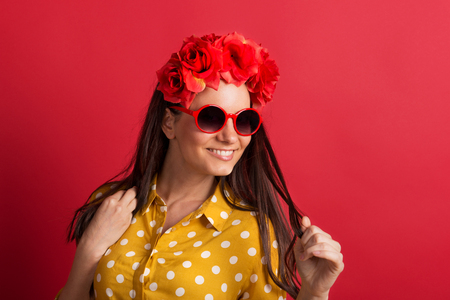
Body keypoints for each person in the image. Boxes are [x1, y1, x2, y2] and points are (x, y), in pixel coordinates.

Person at [57, 32, 344, 300]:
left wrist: (315, 293)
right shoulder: (111, 206)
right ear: (169, 123)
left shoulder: (253, 233)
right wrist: (89, 252)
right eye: (211, 118)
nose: (231, 136)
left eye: (243, 120)